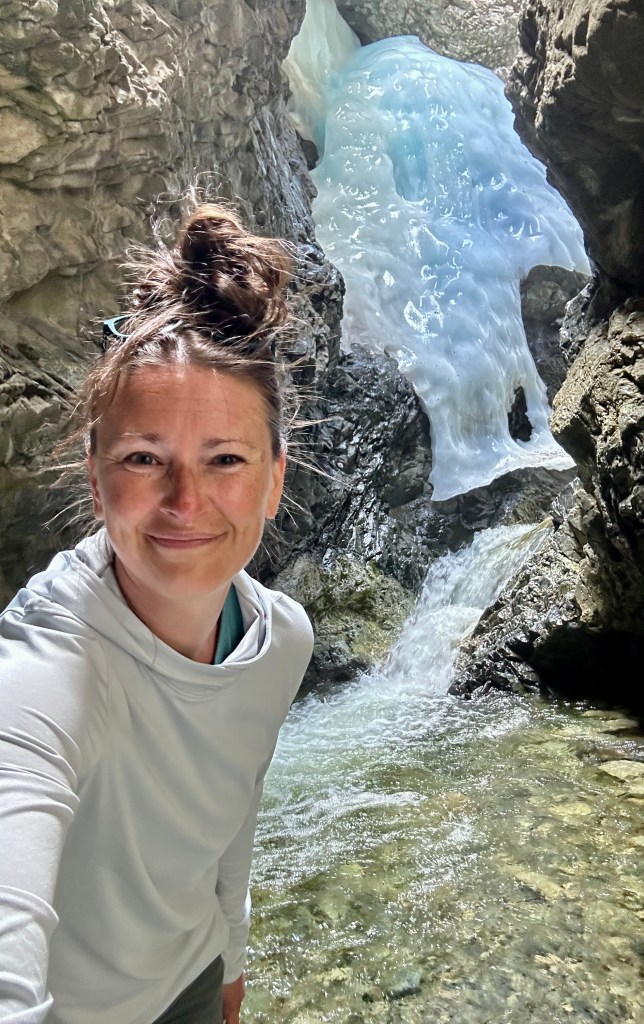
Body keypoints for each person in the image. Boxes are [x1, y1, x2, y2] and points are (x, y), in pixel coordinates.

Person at [0, 201, 314, 1024]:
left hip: (192, 984)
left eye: (226, 459)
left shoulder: (281, 638)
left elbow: (231, 811)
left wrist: (231, 956)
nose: (185, 501)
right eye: (145, 458)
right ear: (96, 478)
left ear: (275, 480)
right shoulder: (46, 670)